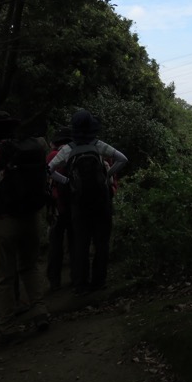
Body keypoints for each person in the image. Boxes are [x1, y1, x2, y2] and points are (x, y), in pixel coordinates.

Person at [0, 111, 51, 344]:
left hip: (4, 221)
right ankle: (40, 312)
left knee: (4, 277)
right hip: (30, 217)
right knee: (29, 267)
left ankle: (8, 326)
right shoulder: (27, 148)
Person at [48, 110, 127, 295]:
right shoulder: (98, 145)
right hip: (101, 201)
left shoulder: (68, 149)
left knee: (80, 243)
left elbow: (49, 169)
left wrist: (67, 181)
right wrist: (106, 175)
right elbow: (123, 159)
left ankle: (81, 284)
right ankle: (99, 281)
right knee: (101, 242)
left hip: (78, 203)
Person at [46, 126, 74, 291]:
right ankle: (76, 275)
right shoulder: (73, 153)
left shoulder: (52, 156)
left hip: (57, 206)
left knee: (55, 244)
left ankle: (54, 280)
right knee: (74, 241)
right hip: (73, 203)